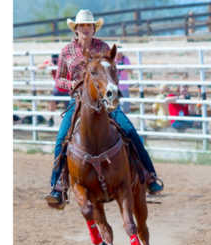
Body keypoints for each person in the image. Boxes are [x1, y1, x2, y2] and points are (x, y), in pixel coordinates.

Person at [45, 9, 163, 204]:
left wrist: (111, 89)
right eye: (82, 25)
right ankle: (57, 185)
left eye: (89, 25)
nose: (85, 29)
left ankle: (149, 175)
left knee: (129, 130)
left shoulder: (103, 47)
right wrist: (73, 85)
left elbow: (111, 73)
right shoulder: (67, 51)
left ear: (93, 28)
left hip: (105, 100)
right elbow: (59, 80)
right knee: (61, 140)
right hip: (78, 101)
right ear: (76, 29)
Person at [38, 54, 70, 127]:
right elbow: (39, 66)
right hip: (58, 88)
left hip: (67, 88)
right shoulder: (51, 62)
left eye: (56, 59)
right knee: (52, 101)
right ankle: (51, 119)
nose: (55, 61)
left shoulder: (64, 62)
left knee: (68, 108)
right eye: (54, 59)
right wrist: (48, 65)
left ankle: (68, 122)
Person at [115, 47, 132, 113]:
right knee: (115, 108)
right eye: (117, 53)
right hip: (115, 87)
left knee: (125, 108)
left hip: (124, 86)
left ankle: (124, 122)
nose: (118, 54)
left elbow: (131, 71)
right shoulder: (113, 60)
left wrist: (124, 67)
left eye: (120, 53)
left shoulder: (125, 59)